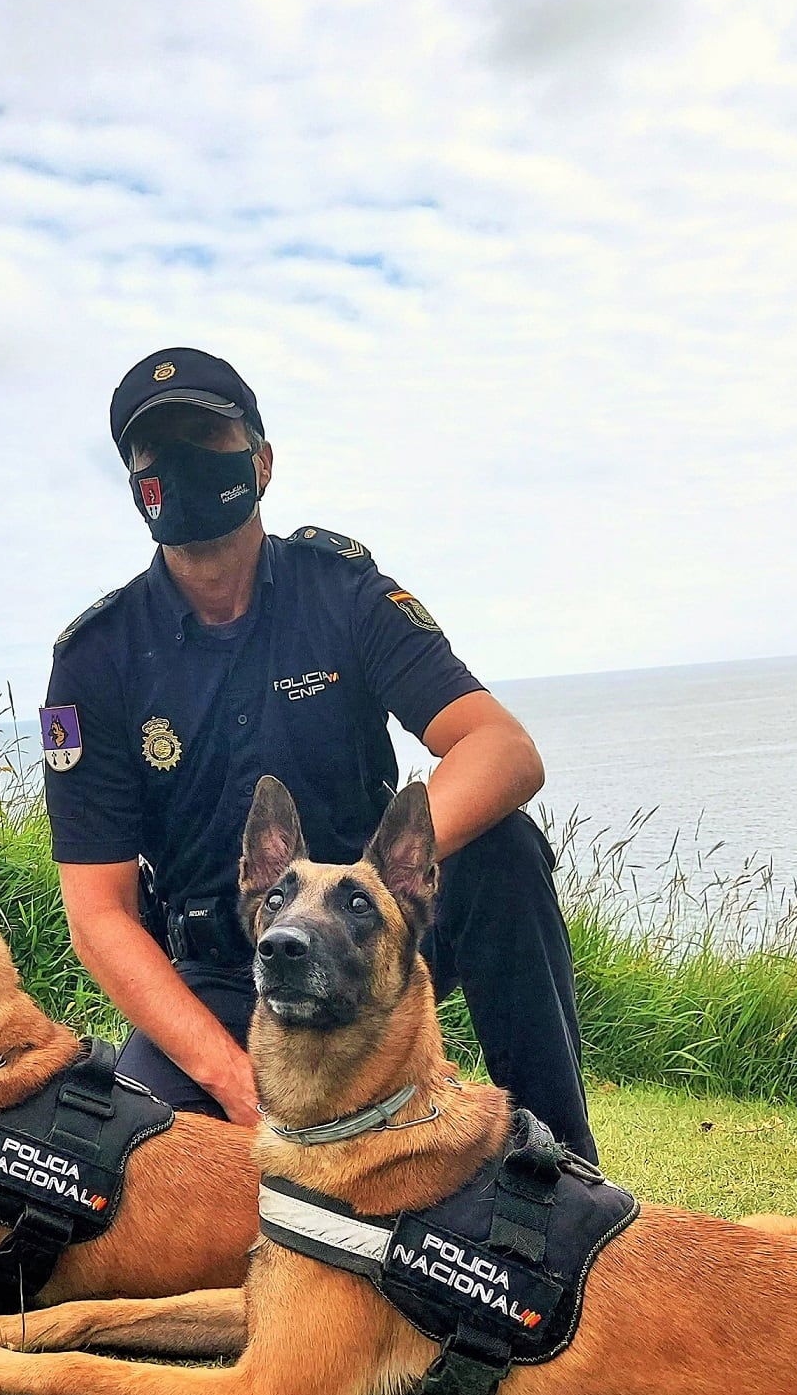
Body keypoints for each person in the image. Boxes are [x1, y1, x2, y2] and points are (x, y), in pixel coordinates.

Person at [37, 347, 597, 1160]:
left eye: (204, 436)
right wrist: (235, 1080)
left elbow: (502, 750)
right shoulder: (97, 658)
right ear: (133, 485)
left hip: (374, 944)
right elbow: (99, 916)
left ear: (260, 463)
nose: (178, 465)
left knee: (503, 849)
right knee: (131, 1179)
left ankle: (562, 1165)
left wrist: (367, 888)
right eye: (154, 451)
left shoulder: (343, 593)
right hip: (225, 975)